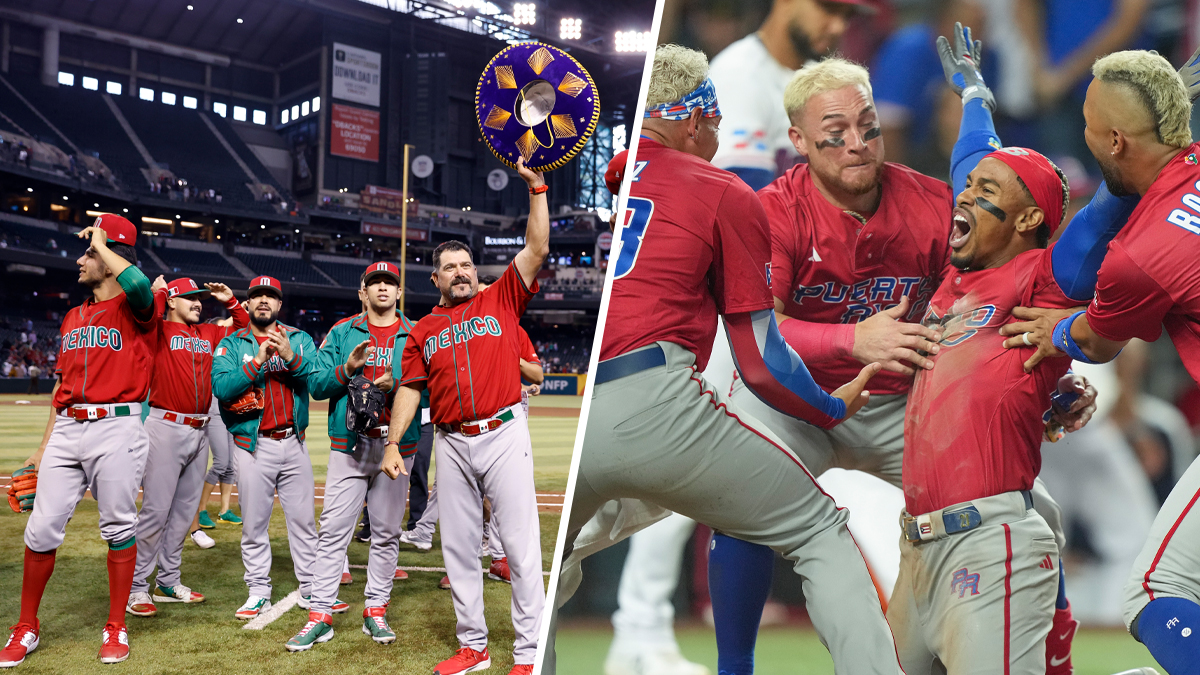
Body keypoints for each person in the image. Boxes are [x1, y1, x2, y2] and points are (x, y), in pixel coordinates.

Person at [545, 43, 901, 675]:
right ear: (693, 116)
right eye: (713, 120)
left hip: (572, 409)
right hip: (655, 401)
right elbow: (760, 357)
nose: (718, 133)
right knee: (818, 530)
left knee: (550, 567)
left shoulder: (612, 182)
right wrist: (825, 408)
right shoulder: (721, 189)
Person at [997, 49, 1200, 675]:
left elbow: (1099, 339)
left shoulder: (1139, 255)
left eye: (1086, 123)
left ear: (1113, 139)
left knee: (1156, 592)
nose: (1081, 134)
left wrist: (1057, 328)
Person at [380, 155, 549, 675]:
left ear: (477, 273)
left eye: (466, 266)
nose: (460, 273)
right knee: (457, 551)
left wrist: (536, 189)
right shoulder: (424, 329)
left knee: (520, 549)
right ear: (436, 278)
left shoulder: (500, 300)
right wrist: (393, 442)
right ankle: (474, 647)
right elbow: (410, 386)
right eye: (450, 267)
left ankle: (528, 654)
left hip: (502, 431)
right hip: (450, 440)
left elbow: (537, 247)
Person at [0, 215, 156, 667]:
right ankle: (26, 626)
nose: (79, 259)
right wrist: (42, 446)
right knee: (42, 527)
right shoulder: (73, 315)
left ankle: (116, 625)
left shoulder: (137, 306)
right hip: (68, 427)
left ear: (111, 258)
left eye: (88, 252)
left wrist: (104, 244)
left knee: (118, 527)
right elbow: (60, 387)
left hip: (118, 427)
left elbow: (142, 287)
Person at [283, 262, 420, 651]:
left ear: (397, 293)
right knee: (333, 533)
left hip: (397, 447)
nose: (382, 288)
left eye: (388, 283)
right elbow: (317, 384)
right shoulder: (342, 333)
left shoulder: (414, 334)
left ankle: (375, 610)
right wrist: (348, 369)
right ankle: (320, 615)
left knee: (387, 533)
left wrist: (398, 387)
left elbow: (428, 391)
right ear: (362, 292)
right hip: (350, 446)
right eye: (374, 283)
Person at [125, 277, 247, 618]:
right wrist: (160, 293)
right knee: (155, 512)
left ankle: (168, 580)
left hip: (201, 431)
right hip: (165, 427)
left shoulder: (208, 335)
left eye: (199, 299)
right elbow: (143, 314)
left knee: (182, 515)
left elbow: (246, 328)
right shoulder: (159, 331)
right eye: (189, 298)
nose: (197, 303)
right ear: (173, 303)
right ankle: (136, 587)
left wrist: (231, 302)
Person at [211, 275, 324, 621]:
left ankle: (310, 587)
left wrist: (289, 356)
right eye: (257, 295)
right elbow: (222, 387)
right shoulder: (232, 345)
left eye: (270, 296)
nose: (263, 301)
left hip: (294, 442)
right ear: (248, 304)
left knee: (304, 521)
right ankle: (258, 590)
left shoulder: (300, 339)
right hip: (253, 445)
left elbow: (317, 381)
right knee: (254, 524)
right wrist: (257, 360)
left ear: (279, 304)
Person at [708, 0, 875, 189]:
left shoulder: (826, 80)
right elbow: (744, 201)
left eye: (847, 15)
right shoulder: (737, 75)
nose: (838, 27)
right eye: (828, 8)